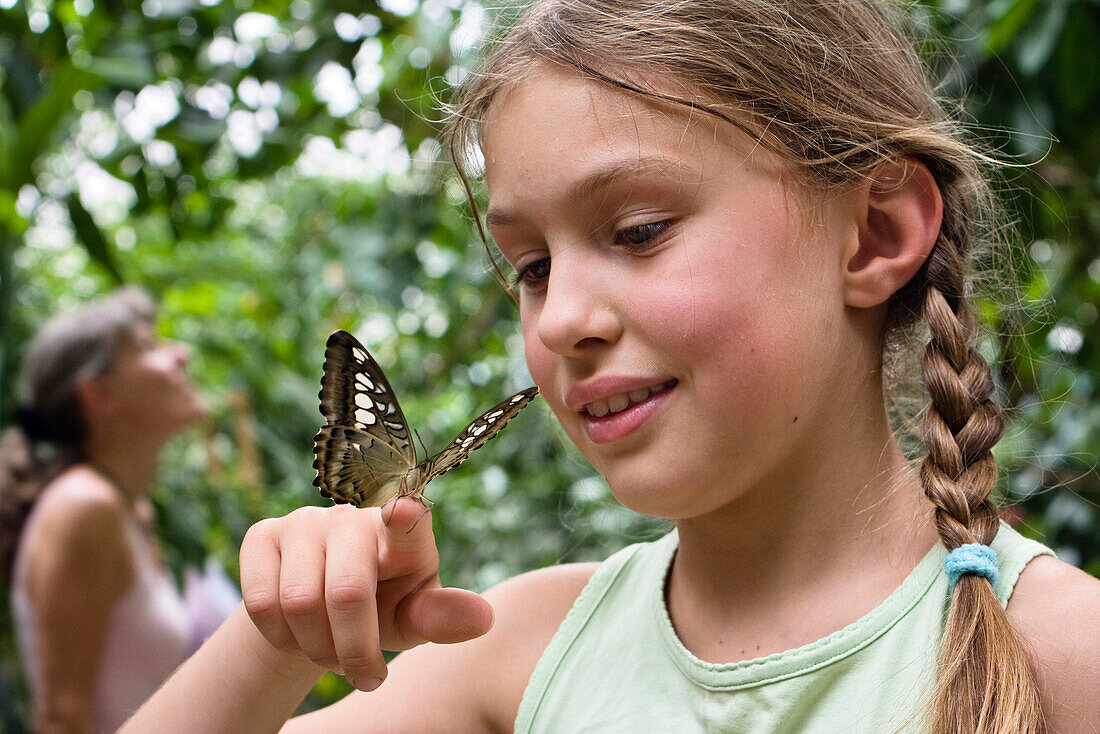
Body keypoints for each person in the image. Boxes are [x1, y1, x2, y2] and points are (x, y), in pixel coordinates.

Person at [122, 1, 1100, 732]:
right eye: (531, 266)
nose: (561, 320)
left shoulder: (1062, 652)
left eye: (637, 230)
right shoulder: (511, 645)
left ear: (873, 232)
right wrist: (277, 638)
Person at [0, 287, 225, 734]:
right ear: (99, 394)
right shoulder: (83, 507)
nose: (180, 355)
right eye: (149, 347)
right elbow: (62, 718)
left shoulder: (130, 510)